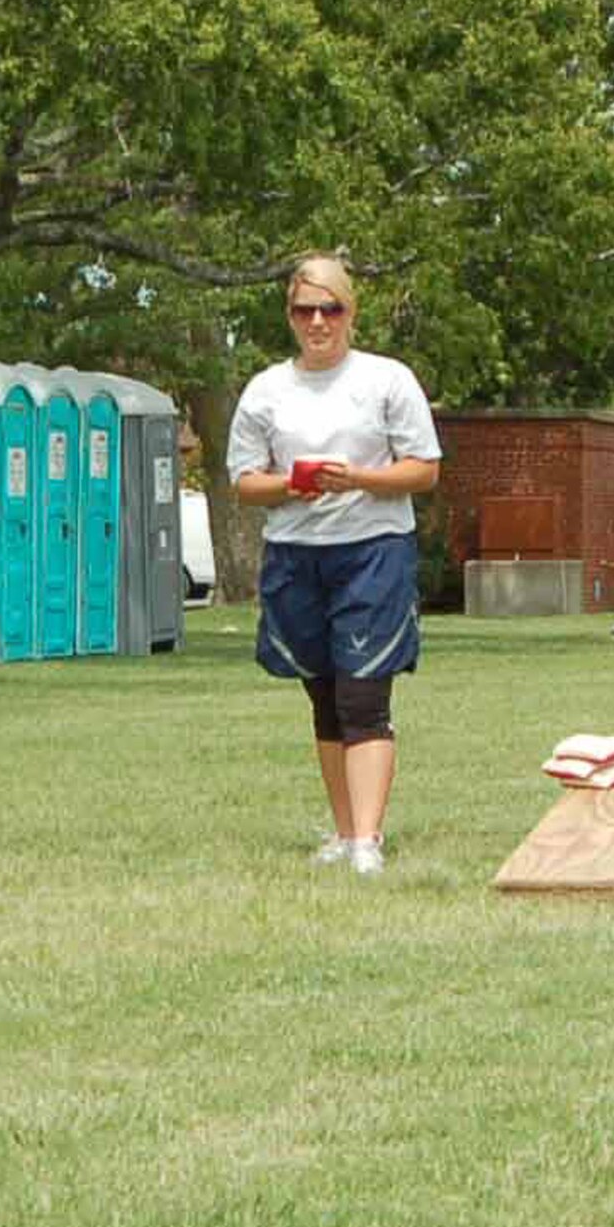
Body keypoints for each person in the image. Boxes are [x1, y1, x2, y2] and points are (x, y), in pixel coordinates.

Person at [226, 254, 441, 877]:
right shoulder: (267, 389)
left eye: (331, 308)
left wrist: (362, 479)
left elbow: (424, 468)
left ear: (351, 313)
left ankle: (368, 841)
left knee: (364, 694)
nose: (318, 321)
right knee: (323, 694)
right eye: (305, 309)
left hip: (374, 549)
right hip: (298, 554)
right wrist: (291, 486)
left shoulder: (386, 380)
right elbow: (243, 481)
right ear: (290, 316)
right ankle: (344, 832)